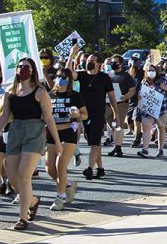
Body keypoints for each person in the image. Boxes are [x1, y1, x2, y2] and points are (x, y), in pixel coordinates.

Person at [0, 58, 62, 230]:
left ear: (32, 71)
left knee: (24, 175)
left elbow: (48, 117)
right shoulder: (11, 91)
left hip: (34, 132)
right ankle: (32, 200)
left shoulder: (40, 91)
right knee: (13, 178)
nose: (23, 69)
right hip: (15, 131)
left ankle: (22, 218)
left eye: (27, 67)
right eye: (20, 67)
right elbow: (5, 116)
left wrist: (57, 142)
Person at [69, 45, 117, 180]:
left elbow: (112, 97)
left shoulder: (104, 78)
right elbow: (69, 72)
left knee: (95, 142)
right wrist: (72, 55)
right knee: (93, 143)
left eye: (92, 61)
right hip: (84, 114)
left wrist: (116, 115)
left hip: (98, 114)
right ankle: (100, 168)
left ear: (99, 64)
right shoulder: (82, 75)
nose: (88, 63)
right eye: (87, 61)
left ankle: (89, 169)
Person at [46, 68, 87, 209]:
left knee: (60, 165)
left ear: (69, 79)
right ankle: (69, 184)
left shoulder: (75, 96)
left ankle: (59, 198)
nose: (60, 79)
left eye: (63, 77)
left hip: (68, 132)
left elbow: (85, 115)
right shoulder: (50, 95)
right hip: (52, 133)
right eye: (57, 76)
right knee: (49, 169)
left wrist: (78, 115)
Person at [136, 63, 167, 157]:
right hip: (147, 109)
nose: (151, 72)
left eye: (152, 70)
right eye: (149, 70)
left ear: (156, 71)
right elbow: (140, 93)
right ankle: (145, 149)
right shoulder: (143, 82)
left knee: (161, 128)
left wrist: (164, 87)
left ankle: (160, 149)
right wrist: (139, 97)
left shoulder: (163, 80)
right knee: (146, 128)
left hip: (162, 109)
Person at [106, 55, 136, 157]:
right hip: (108, 104)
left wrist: (126, 96)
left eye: (115, 62)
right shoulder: (108, 75)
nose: (113, 64)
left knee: (118, 125)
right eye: (112, 62)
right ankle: (116, 145)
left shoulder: (126, 76)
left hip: (121, 104)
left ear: (120, 63)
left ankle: (118, 147)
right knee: (112, 126)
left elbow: (132, 90)